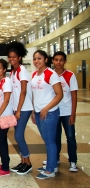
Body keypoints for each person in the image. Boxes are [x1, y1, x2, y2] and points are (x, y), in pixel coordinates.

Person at [30, 50, 63, 179]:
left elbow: (60, 94)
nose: (36, 61)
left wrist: (46, 108)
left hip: (49, 112)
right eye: (34, 59)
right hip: (38, 112)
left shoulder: (51, 74)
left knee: (49, 141)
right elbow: (34, 94)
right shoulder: (34, 74)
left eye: (39, 58)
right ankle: (52, 164)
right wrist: (34, 111)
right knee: (47, 140)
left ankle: (50, 170)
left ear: (46, 59)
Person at [7, 42, 33, 175]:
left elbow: (23, 92)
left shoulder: (22, 71)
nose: (11, 59)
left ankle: (28, 163)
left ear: (20, 58)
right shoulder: (13, 71)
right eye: (10, 57)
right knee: (19, 136)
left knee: (18, 135)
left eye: (14, 57)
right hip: (16, 108)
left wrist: (18, 110)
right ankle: (23, 161)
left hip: (23, 108)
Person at [52, 51, 78, 172]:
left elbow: (74, 95)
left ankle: (72, 161)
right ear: (53, 61)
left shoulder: (70, 75)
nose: (58, 62)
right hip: (55, 112)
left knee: (71, 137)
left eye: (61, 60)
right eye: (56, 59)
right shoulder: (50, 75)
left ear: (65, 61)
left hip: (67, 112)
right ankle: (55, 159)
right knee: (55, 137)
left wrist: (73, 114)